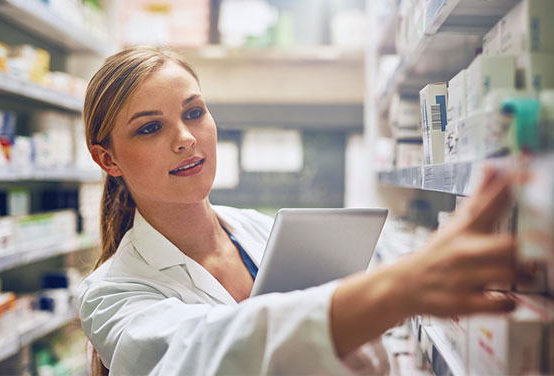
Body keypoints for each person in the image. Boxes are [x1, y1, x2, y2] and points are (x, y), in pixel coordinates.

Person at [77, 46, 531, 375]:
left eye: (194, 112)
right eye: (151, 127)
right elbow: (197, 353)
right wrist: (400, 290)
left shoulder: (266, 232)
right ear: (108, 159)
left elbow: (366, 359)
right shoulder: (110, 292)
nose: (186, 137)